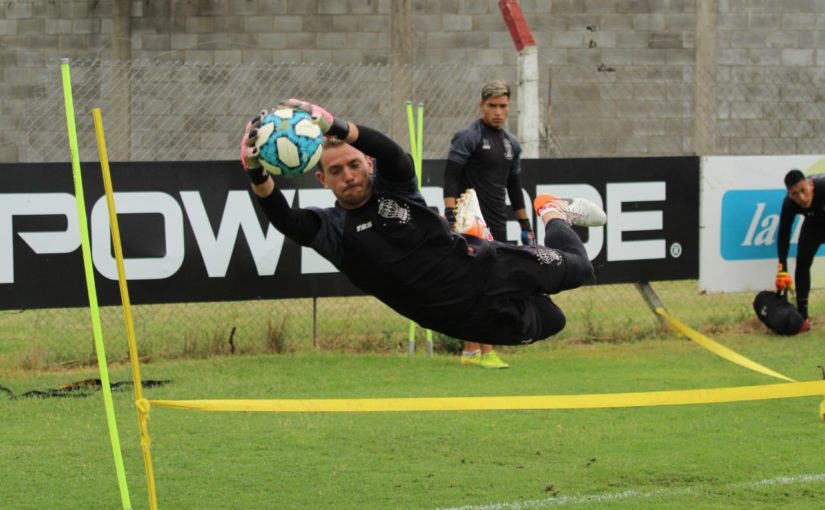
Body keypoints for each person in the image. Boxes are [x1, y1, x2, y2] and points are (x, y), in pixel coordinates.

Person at [240, 98, 606, 347]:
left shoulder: (396, 188)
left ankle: (551, 209)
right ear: (323, 180)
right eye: (336, 171)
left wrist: (334, 124)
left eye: (354, 164)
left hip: (489, 269)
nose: (348, 175)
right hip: (457, 318)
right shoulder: (333, 231)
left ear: (367, 164)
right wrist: (254, 169)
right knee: (552, 319)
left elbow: (392, 153)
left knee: (580, 269)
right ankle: (483, 234)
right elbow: (285, 219)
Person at [443, 79, 533, 369]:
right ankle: (487, 350)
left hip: (497, 223)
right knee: (485, 286)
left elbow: (515, 186)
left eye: (503, 106)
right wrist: (450, 214)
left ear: (509, 108)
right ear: (481, 106)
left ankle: (470, 351)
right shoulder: (468, 136)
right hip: (470, 223)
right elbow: (451, 175)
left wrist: (525, 224)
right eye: (492, 106)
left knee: (482, 285)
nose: (497, 111)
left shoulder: (511, 144)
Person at [776, 169, 823, 332]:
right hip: (814, 225)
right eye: (795, 194)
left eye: (804, 191)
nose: (802, 198)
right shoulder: (789, 204)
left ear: (810, 185)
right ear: (789, 195)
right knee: (802, 262)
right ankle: (803, 317)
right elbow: (783, 234)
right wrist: (782, 268)